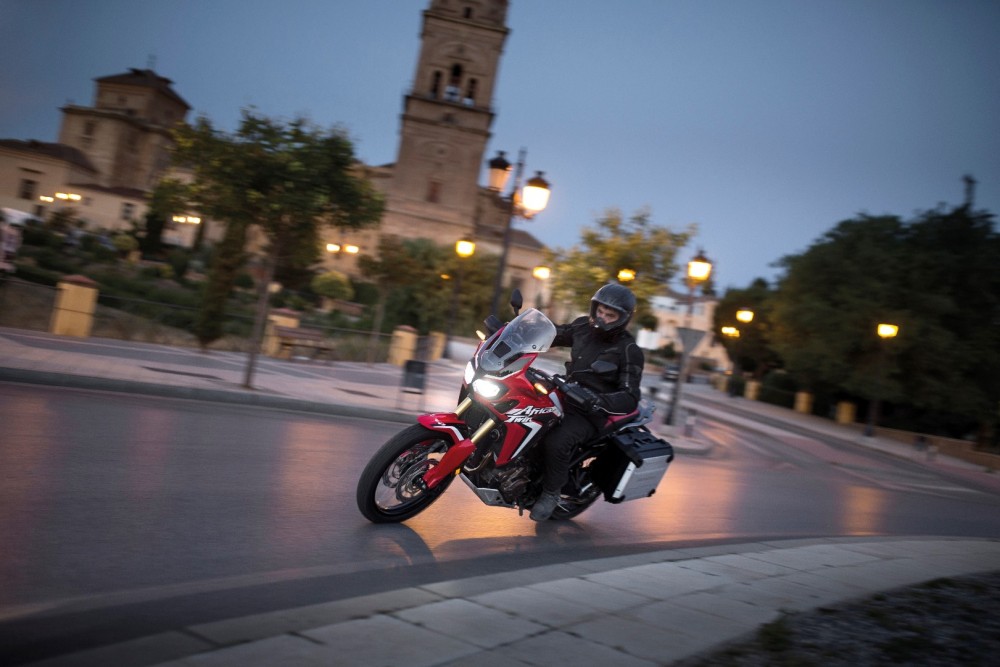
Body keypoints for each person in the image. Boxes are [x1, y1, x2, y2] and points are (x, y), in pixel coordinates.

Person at [530, 283, 645, 521]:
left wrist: (596, 400)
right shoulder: (583, 326)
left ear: (623, 318)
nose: (602, 318)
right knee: (526, 414)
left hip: (590, 412)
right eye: (600, 311)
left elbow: (630, 396)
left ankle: (551, 493)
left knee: (557, 441)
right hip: (565, 393)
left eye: (610, 315)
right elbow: (554, 333)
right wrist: (513, 331)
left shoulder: (628, 349)